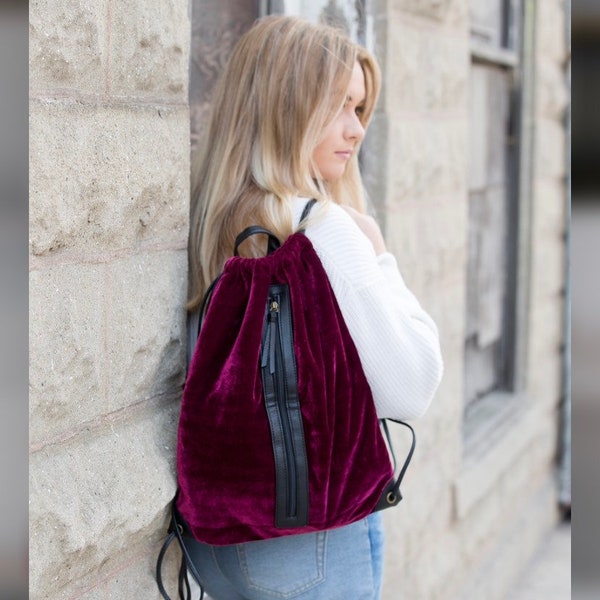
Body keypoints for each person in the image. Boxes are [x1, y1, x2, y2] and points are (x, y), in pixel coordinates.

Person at [183, 14, 443, 600]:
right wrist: (379, 253)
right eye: (341, 107)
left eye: (360, 109)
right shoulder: (323, 229)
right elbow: (414, 385)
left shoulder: (210, 217)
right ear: (288, 108)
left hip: (215, 538)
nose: (356, 130)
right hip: (310, 537)